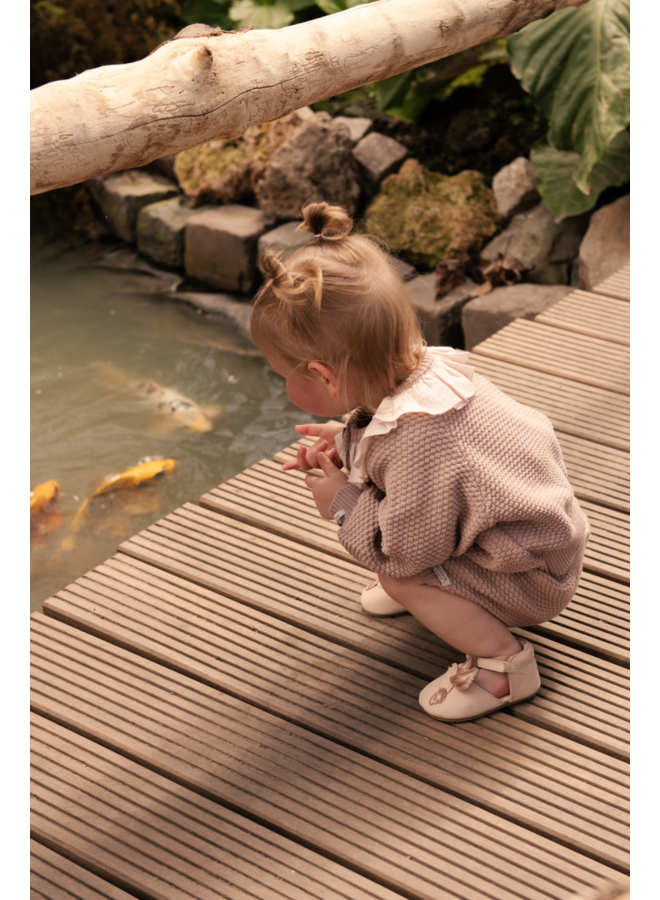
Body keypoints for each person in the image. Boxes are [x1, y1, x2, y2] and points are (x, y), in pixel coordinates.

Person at [250, 201, 590, 723]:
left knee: (400, 577)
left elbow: (402, 550)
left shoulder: (417, 441)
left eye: (283, 374)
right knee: (404, 566)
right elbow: (412, 460)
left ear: (323, 376)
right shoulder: (425, 375)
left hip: (530, 578)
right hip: (539, 539)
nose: (283, 383)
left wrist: (341, 502)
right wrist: (349, 441)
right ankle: (444, 594)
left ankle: (505, 667)